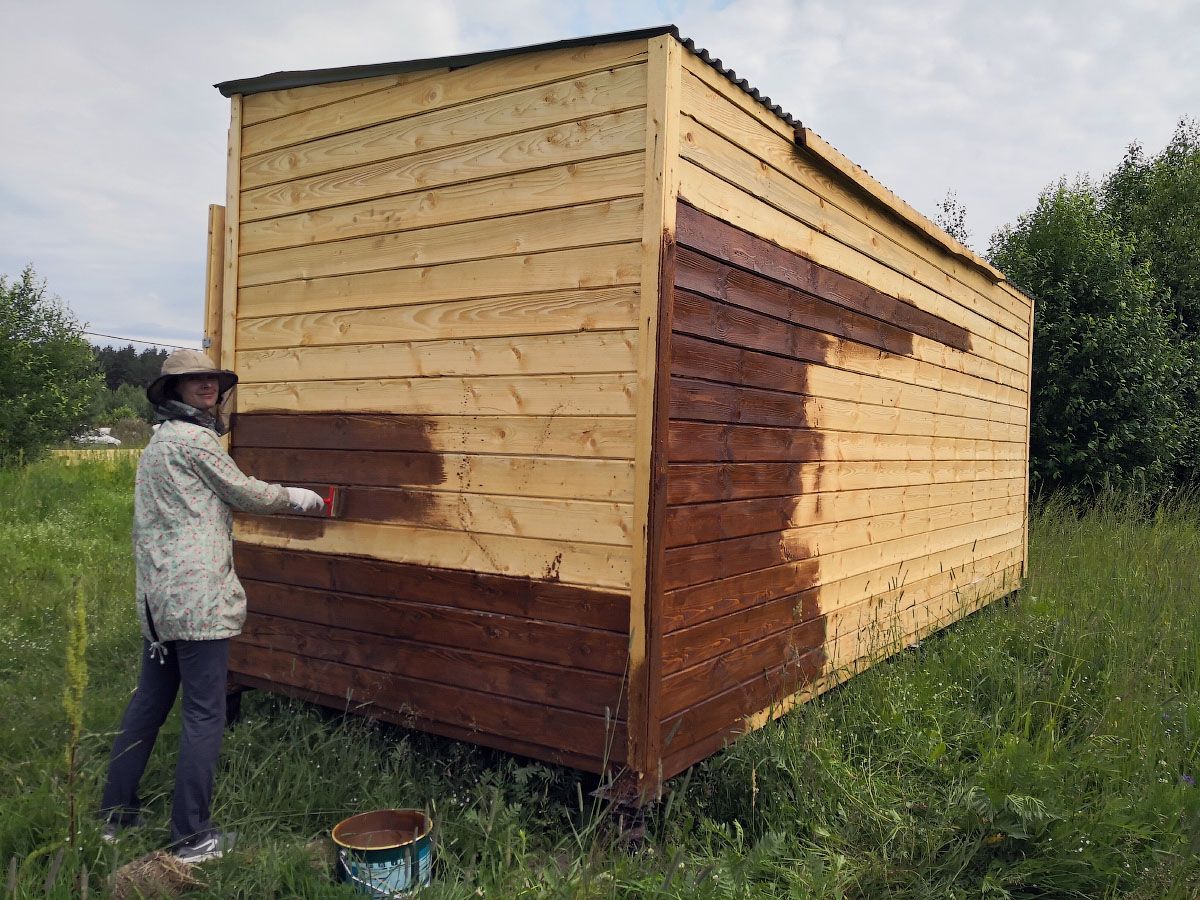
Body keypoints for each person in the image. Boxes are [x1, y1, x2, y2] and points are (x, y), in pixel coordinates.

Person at [98, 350, 324, 863]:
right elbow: (244, 492)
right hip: (197, 600)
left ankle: (115, 816)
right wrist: (297, 498)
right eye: (193, 379)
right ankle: (192, 839)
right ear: (173, 390)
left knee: (147, 707)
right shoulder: (194, 440)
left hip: (160, 601)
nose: (206, 386)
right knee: (205, 714)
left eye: (211, 379)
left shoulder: (158, 443)